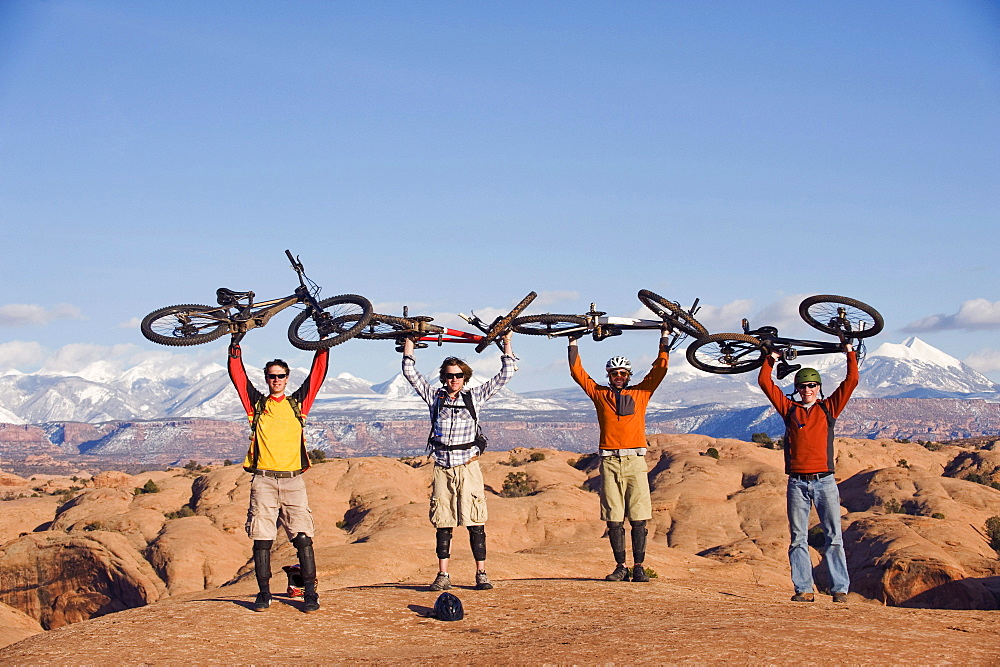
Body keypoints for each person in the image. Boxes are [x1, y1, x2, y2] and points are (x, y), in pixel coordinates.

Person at [401, 332, 516, 592]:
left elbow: (506, 373)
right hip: (442, 466)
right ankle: (443, 575)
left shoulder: (474, 397)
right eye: (449, 376)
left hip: (468, 466)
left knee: (476, 519)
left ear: (465, 378)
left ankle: (482, 573)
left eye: (458, 376)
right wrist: (410, 339)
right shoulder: (435, 397)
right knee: (443, 520)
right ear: (443, 377)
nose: (454, 380)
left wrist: (507, 342)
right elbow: (409, 371)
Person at [228, 338, 328, 613]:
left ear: (287, 378)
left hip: (293, 480)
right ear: (266, 379)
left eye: (281, 376)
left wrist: (324, 345)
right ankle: (263, 594)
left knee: (303, 537)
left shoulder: (298, 404)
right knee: (262, 539)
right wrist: (235, 344)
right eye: (272, 376)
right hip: (263, 480)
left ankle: (310, 594)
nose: (276, 380)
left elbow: (317, 376)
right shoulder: (257, 406)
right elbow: (238, 377)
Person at [568, 325, 671, 582]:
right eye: (614, 373)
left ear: (628, 375)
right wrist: (572, 343)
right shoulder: (599, 394)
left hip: (635, 460)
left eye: (623, 373)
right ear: (609, 375)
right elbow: (577, 373)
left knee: (638, 517)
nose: (618, 376)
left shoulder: (641, 392)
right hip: (610, 461)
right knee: (613, 518)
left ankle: (639, 567)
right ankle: (620, 566)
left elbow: (660, 370)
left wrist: (664, 338)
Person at [757, 343, 858, 603]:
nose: (807, 390)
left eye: (812, 386)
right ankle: (804, 589)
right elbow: (764, 382)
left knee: (833, 536)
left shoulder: (829, 409)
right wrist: (771, 358)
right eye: (803, 386)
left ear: (819, 387)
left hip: (824, 481)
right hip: (797, 482)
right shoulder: (790, 409)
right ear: (797, 389)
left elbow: (852, 380)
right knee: (798, 538)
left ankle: (840, 590)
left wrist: (849, 352)